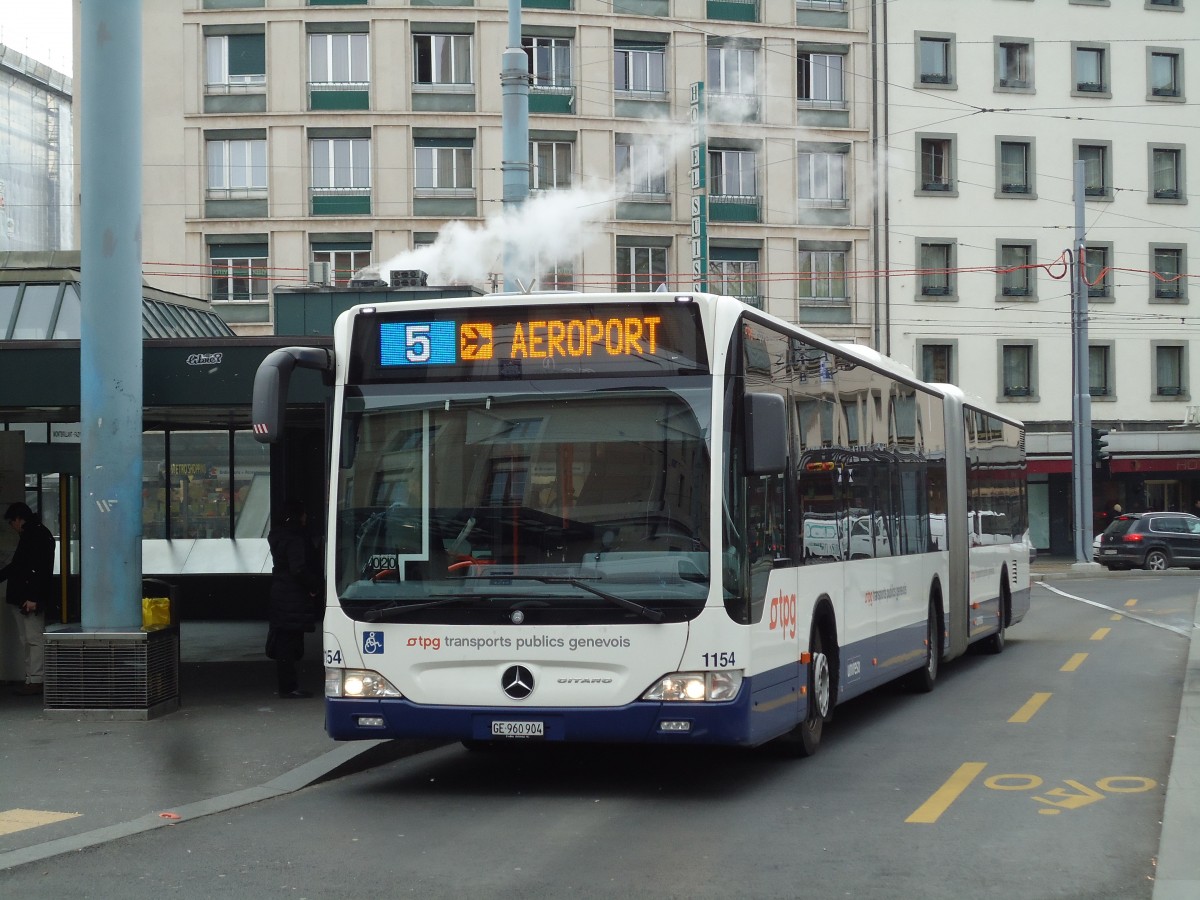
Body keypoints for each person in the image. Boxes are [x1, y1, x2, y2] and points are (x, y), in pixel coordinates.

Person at [266, 499, 322, 699]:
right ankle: (289, 687)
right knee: (291, 643)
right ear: (298, 516)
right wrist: (313, 586)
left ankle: (287, 685)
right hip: (293, 594)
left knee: (283, 640)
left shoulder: (277, 536)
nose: (306, 517)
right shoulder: (295, 538)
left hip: (280, 592)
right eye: (304, 514)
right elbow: (298, 568)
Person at [0, 502, 56, 696]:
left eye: (11, 522)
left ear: (18, 519)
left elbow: (36, 569)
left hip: (27, 597)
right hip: (25, 596)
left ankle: (36, 679)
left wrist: (34, 597)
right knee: (29, 639)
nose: (12, 527)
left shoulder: (35, 535)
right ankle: (32, 677)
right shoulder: (36, 534)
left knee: (33, 638)